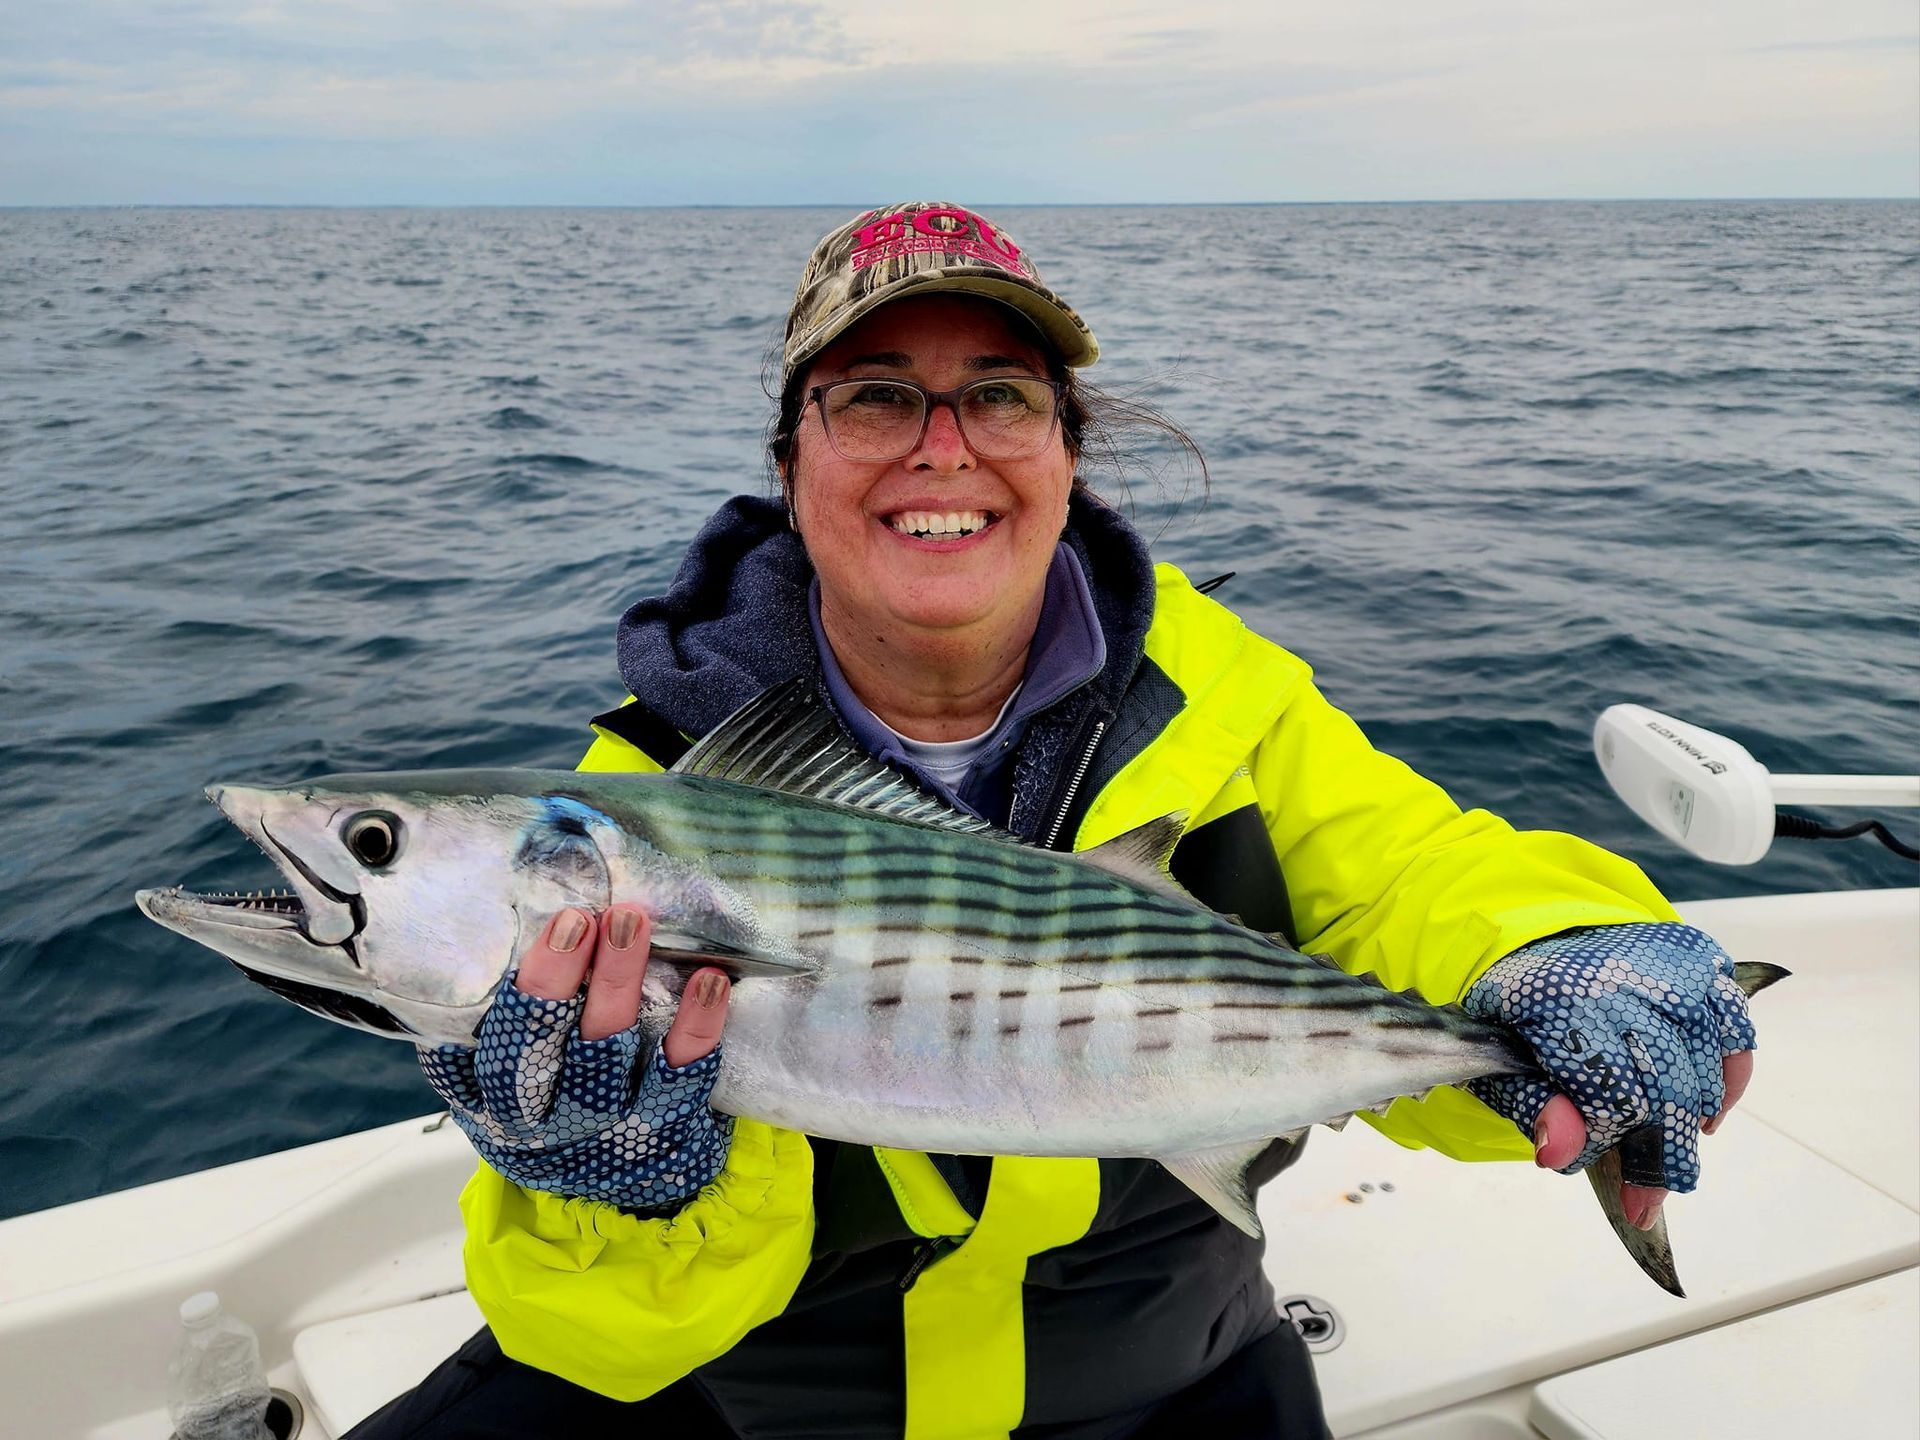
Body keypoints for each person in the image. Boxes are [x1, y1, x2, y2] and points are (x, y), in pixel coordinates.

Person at [351, 202, 1757, 1440]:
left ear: (1068, 453)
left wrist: (1560, 951)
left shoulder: (1232, 710)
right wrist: (612, 1194)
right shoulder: (647, 804)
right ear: (794, 461)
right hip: (762, 1397)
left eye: (1003, 397)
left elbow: (1422, 879)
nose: (944, 448)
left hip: (1174, 1370)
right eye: (876, 398)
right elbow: (597, 1337)